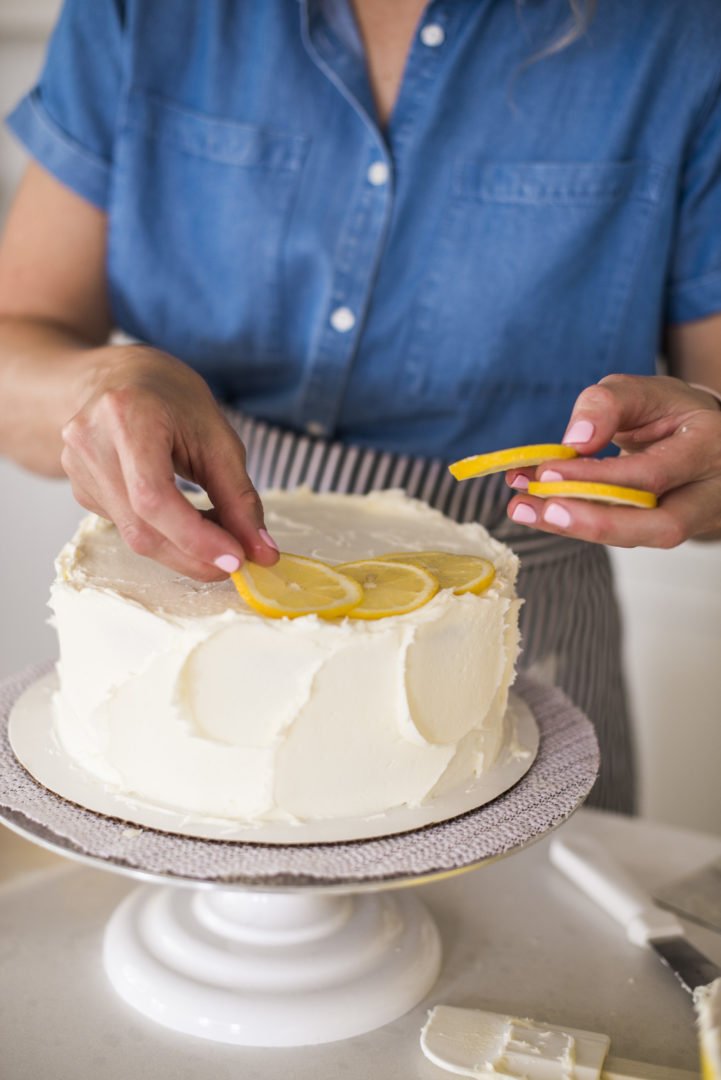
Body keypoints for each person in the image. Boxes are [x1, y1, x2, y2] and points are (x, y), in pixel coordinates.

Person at [1, 0, 720, 812]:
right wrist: (102, 384)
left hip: (527, 631)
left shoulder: (686, 35)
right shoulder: (137, 13)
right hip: (189, 601)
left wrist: (703, 458)